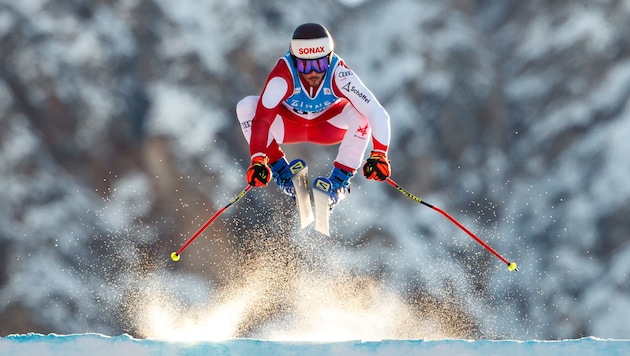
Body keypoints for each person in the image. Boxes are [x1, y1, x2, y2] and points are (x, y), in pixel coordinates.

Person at [236, 23, 391, 209]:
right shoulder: (283, 74)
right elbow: (262, 119)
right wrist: (258, 160)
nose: (314, 72)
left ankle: (337, 185)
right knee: (246, 106)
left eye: (320, 63)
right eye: (305, 65)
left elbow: (376, 111)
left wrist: (380, 154)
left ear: (329, 57)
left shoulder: (339, 73)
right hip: (289, 125)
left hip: (329, 126)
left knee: (361, 113)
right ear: (294, 61)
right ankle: (285, 176)